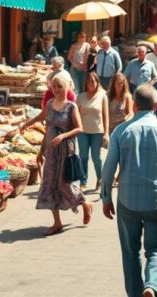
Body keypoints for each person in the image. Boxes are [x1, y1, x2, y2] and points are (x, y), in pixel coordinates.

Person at [102, 84, 157, 297]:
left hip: (128, 201)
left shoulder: (121, 131)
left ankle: (135, 294)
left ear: (134, 105)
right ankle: (151, 286)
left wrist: (106, 197)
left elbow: (108, 168)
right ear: (156, 105)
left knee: (130, 253)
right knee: (155, 249)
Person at [33, 75, 93, 235]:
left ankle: (84, 202)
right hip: (51, 152)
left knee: (62, 184)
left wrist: (63, 136)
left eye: (59, 86)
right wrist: (40, 151)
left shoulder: (71, 106)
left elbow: (80, 128)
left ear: (66, 88)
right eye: (54, 87)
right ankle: (57, 222)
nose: (57, 90)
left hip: (66, 150)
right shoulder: (50, 104)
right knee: (49, 185)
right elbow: (47, 128)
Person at [76, 72, 109, 191]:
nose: (91, 83)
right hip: (83, 131)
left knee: (96, 157)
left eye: (93, 81)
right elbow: (76, 115)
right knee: (83, 157)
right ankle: (83, 182)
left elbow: (106, 115)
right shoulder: (80, 97)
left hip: (97, 132)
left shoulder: (102, 96)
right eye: (89, 81)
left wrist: (106, 133)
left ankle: (100, 178)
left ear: (97, 82)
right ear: (86, 83)